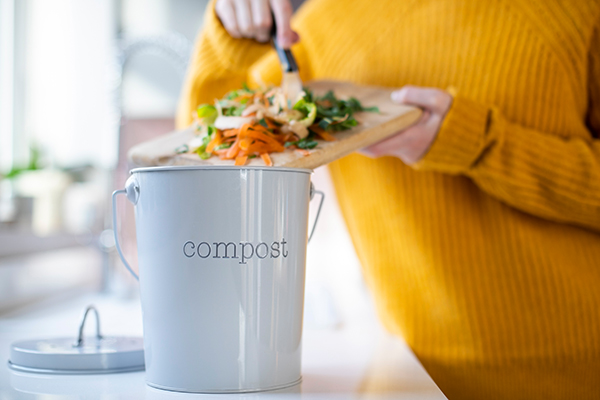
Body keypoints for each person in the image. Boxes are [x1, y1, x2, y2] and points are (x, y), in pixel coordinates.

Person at [176, 0, 600, 398]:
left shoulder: (578, 12)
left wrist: (479, 145)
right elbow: (199, 167)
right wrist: (226, 38)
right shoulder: (321, 26)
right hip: (409, 376)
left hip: (580, 371)